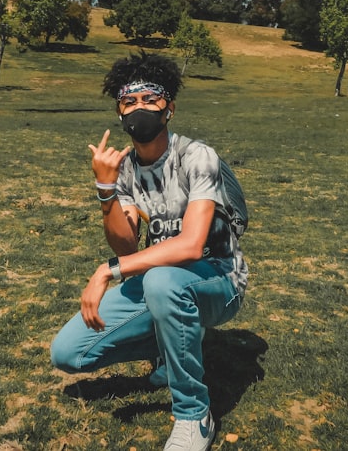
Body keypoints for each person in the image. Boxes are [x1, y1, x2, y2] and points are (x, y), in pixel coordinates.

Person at [51, 52, 248, 451]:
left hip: (218, 279)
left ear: (169, 108)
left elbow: (192, 244)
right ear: (119, 112)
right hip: (163, 283)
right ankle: (174, 342)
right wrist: (106, 191)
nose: (139, 108)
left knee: (158, 280)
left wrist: (109, 270)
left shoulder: (196, 156)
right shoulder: (125, 169)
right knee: (67, 353)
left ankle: (195, 415)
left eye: (149, 99)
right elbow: (125, 241)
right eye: (129, 102)